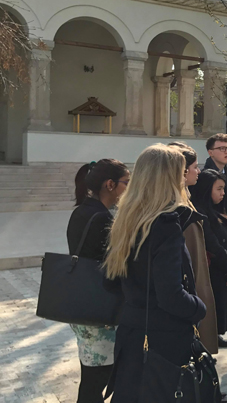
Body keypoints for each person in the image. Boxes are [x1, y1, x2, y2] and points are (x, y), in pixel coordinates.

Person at [103, 144, 206, 402]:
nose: (184, 180)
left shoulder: (128, 220)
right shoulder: (165, 225)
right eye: (181, 173)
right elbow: (171, 295)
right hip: (162, 341)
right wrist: (198, 308)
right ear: (169, 179)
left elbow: (111, 279)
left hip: (131, 335)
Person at [67, 159, 129, 403]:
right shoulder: (102, 219)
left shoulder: (81, 211)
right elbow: (111, 266)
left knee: (91, 377)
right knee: (97, 381)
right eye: (126, 183)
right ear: (110, 185)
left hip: (83, 304)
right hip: (99, 311)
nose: (128, 188)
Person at [168, 142, 220, 354]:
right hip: (188, 287)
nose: (198, 171)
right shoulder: (173, 208)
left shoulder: (185, 198)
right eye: (194, 166)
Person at [190, 169, 227, 348]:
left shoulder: (215, 210)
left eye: (224, 189)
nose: (223, 193)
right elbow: (214, 246)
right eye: (219, 189)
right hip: (213, 270)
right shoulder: (201, 213)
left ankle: (215, 336)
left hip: (223, 270)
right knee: (211, 310)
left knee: (220, 311)